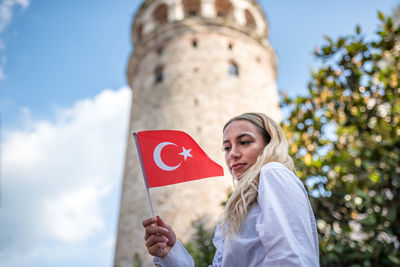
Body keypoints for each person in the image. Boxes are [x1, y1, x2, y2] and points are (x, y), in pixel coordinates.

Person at [142, 112, 320, 266]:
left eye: (244, 142)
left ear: (268, 145)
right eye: (227, 148)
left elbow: (292, 257)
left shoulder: (272, 173)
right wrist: (171, 254)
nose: (232, 154)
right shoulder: (240, 206)